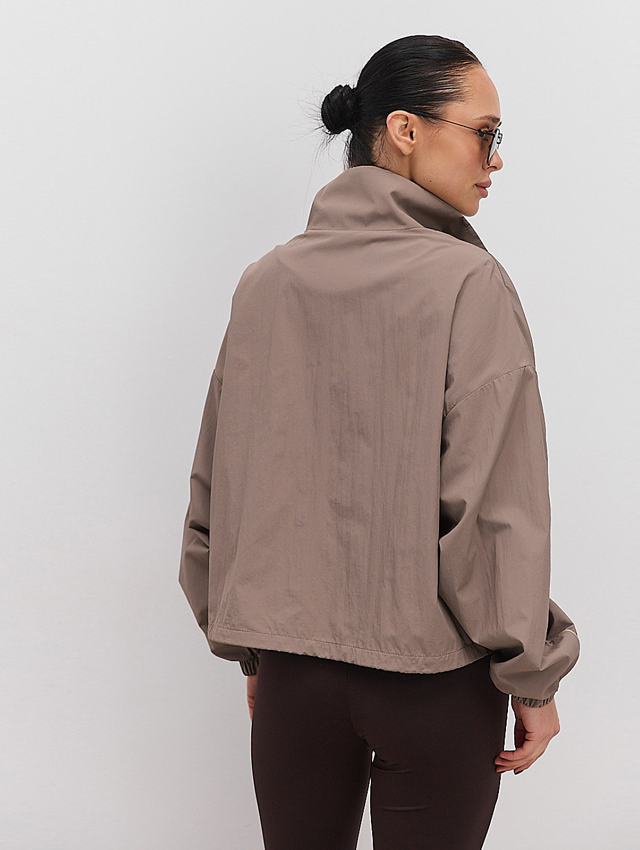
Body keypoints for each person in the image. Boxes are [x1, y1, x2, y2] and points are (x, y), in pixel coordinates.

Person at [179, 34, 580, 850]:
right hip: (432, 684)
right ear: (404, 129)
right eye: (485, 133)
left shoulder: (267, 281)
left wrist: (255, 651)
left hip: (291, 680)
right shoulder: (469, 283)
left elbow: (220, 484)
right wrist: (532, 677)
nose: (495, 159)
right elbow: (492, 512)